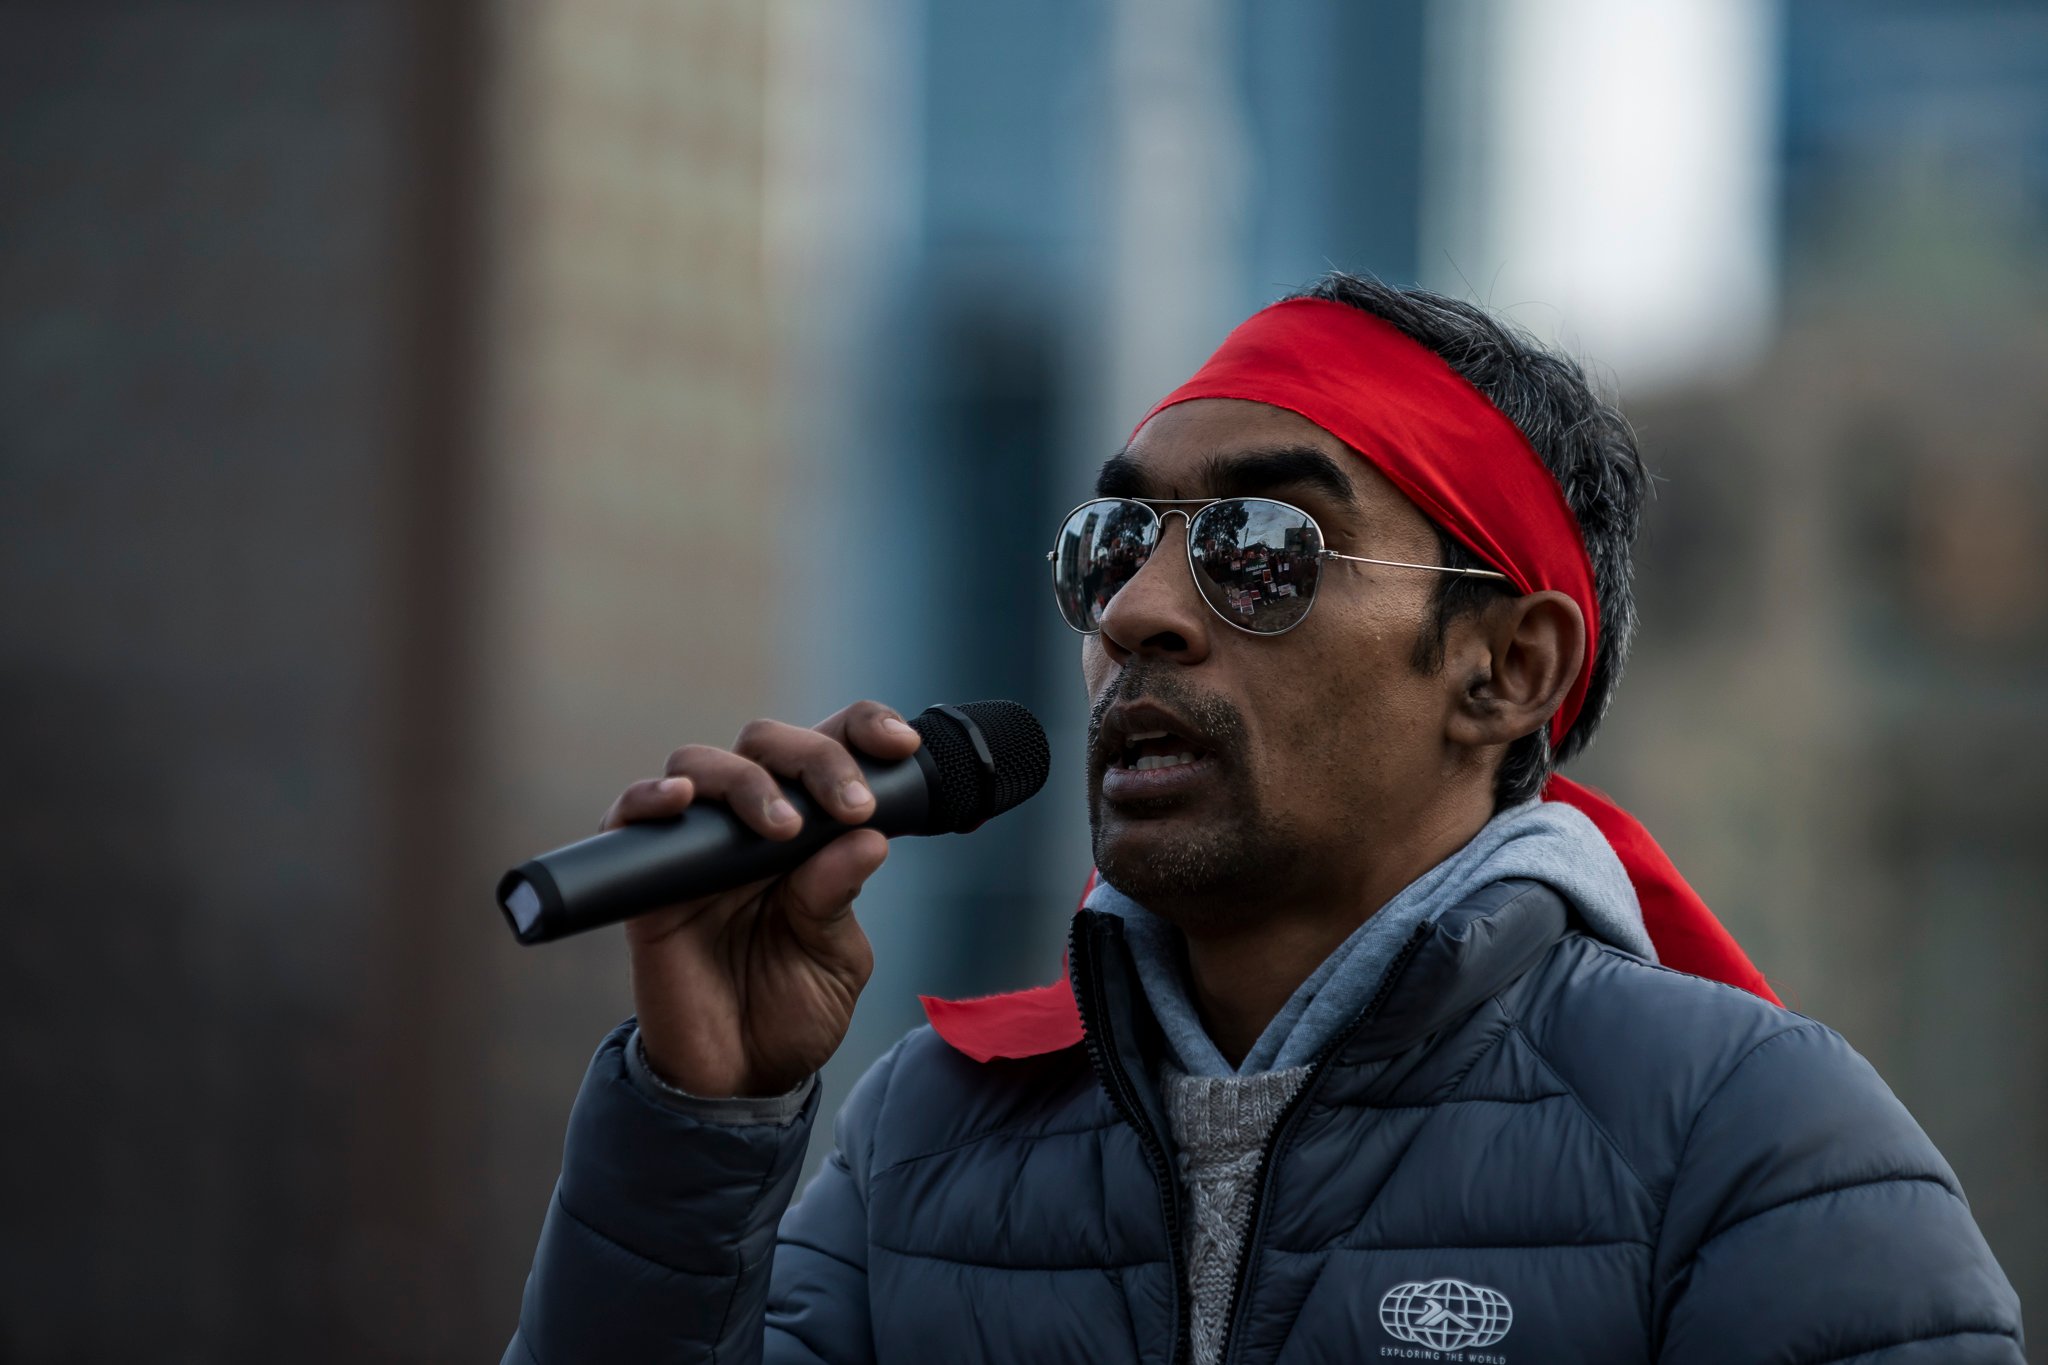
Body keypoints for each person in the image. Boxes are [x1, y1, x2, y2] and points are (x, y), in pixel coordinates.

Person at [503, 275, 2026, 1363]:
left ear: (1505, 670)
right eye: (1116, 545)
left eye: (1261, 549)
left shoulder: (1752, 1142)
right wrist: (697, 1126)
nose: (1141, 612)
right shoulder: (926, 1139)